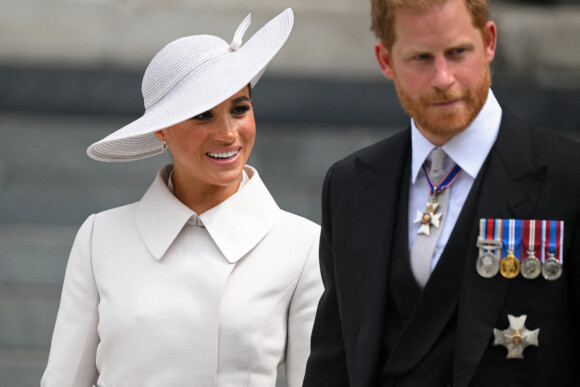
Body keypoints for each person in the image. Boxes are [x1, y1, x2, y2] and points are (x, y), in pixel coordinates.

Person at [303, 0, 580, 386]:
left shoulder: (569, 178)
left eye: (457, 52)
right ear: (386, 60)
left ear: (488, 42)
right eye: (421, 58)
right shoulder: (350, 185)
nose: (443, 78)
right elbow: (332, 364)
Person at [41, 8, 323, 387]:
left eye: (239, 109)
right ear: (161, 131)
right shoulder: (100, 238)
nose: (228, 133)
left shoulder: (301, 245)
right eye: (203, 115)